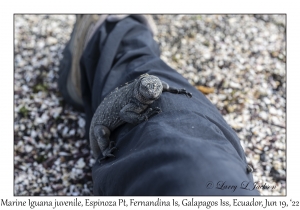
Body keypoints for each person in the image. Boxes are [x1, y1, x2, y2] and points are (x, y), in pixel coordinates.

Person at [58, 14, 260, 195]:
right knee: (189, 125)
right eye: (149, 91)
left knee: (159, 93)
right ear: (140, 90)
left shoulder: (151, 85)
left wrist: (170, 92)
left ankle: (112, 48)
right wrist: (144, 115)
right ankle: (126, 45)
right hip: (103, 127)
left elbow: (155, 90)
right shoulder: (138, 94)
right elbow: (126, 113)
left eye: (157, 89)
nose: (155, 93)